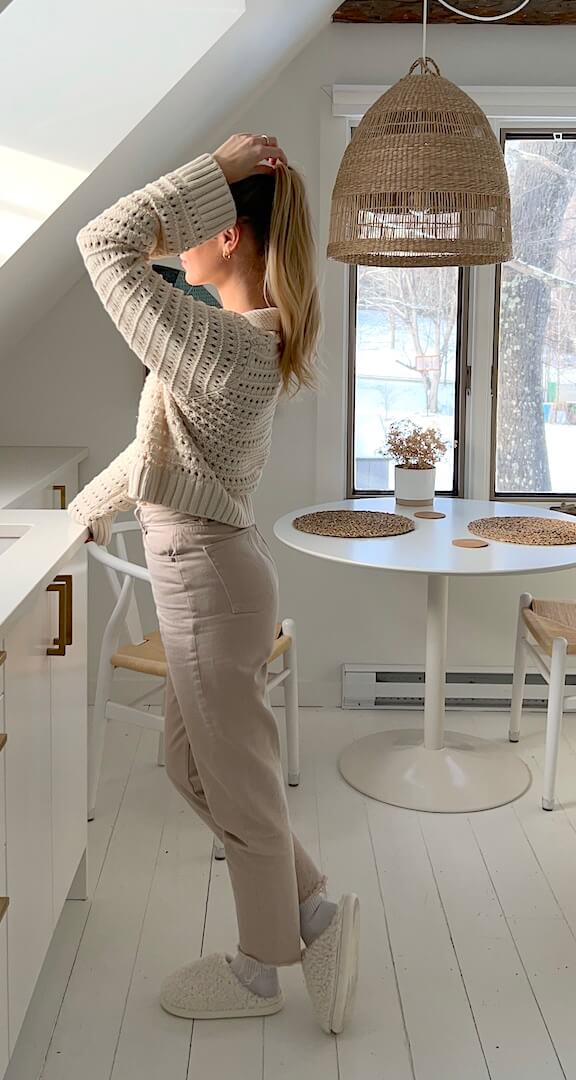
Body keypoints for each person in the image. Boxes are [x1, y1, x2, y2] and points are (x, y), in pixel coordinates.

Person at [67, 134, 360, 1035]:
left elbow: (103, 243)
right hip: (208, 578)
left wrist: (219, 165)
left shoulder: (226, 344)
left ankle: (259, 967)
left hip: (209, 585)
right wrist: (79, 512)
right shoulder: (227, 341)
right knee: (193, 764)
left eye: (197, 229)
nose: (176, 248)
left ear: (229, 235)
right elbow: (154, 453)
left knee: (239, 784)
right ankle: (308, 912)